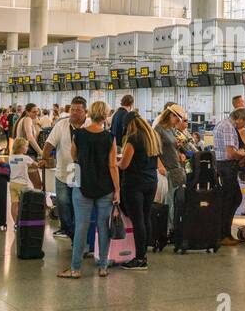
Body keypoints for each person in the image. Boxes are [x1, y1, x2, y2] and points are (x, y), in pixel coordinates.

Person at [60, 101, 120, 279]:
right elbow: (112, 166)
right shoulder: (110, 137)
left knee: (81, 227)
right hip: (105, 187)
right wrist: (117, 190)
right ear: (105, 116)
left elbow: (74, 156)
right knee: (103, 227)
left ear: (90, 114)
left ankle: (75, 268)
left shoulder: (78, 135)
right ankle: (103, 266)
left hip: (82, 185)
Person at [117, 112, 160, 271]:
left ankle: (140, 259)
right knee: (145, 216)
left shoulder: (133, 138)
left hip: (135, 183)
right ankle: (143, 251)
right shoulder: (152, 136)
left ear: (129, 125)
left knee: (137, 220)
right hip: (151, 181)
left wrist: (115, 161)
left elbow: (124, 165)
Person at [42, 97, 87, 239]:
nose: (74, 113)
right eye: (72, 110)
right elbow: (49, 143)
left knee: (77, 204)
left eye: (78, 110)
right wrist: (44, 158)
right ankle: (70, 231)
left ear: (85, 111)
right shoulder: (61, 125)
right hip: (63, 170)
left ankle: (77, 237)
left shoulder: (91, 125)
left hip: (81, 171)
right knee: (62, 204)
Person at [212, 107, 245, 246]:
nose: (244, 127)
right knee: (231, 200)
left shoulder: (221, 123)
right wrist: (244, 154)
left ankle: (223, 233)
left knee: (232, 199)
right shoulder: (229, 127)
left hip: (222, 166)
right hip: (227, 167)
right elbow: (230, 153)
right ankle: (224, 235)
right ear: (239, 119)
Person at [153, 104, 189, 238]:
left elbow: (173, 145)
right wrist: (159, 165)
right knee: (168, 201)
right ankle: (167, 229)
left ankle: (174, 227)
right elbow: (154, 149)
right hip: (166, 168)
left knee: (176, 200)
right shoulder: (158, 129)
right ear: (170, 115)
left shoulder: (172, 129)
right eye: (177, 118)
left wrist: (180, 151)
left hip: (176, 167)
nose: (178, 121)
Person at [4, 138, 40, 225]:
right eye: (26, 146)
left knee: (14, 204)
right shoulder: (26, 158)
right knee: (25, 203)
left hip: (12, 183)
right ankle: (25, 222)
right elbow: (37, 165)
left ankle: (16, 223)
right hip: (22, 185)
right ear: (21, 148)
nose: (27, 148)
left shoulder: (11, 158)